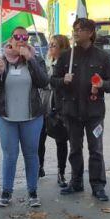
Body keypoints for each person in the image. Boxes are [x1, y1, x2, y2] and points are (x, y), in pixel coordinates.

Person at [51, 18, 110, 201]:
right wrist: (63, 80)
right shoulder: (66, 56)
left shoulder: (101, 57)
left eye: (80, 29)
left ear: (90, 33)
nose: (75, 32)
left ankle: (98, 186)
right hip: (72, 111)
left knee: (96, 149)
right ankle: (76, 182)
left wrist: (102, 84)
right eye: (74, 29)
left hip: (94, 112)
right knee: (75, 149)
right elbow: (53, 81)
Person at [0, 27, 49, 208]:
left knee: (31, 154)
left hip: (32, 118)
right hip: (6, 118)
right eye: (17, 36)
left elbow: (43, 82)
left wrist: (30, 60)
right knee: (10, 155)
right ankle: (6, 192)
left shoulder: (35, 59)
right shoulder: (1, 60)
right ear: (11, 40)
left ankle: (32, 191)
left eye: (25, 37)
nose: (21, 40)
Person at [38, 35, 70, 187]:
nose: (50, 47)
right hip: (42, 106)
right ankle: (39, 167)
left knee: (61, 141)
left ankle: (61, 172)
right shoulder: (44, 63)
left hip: (59, 108)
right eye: (50, 44)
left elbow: (61, 85)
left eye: (54, 45)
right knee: (39, 140)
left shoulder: (67, 66)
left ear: (62, 48)